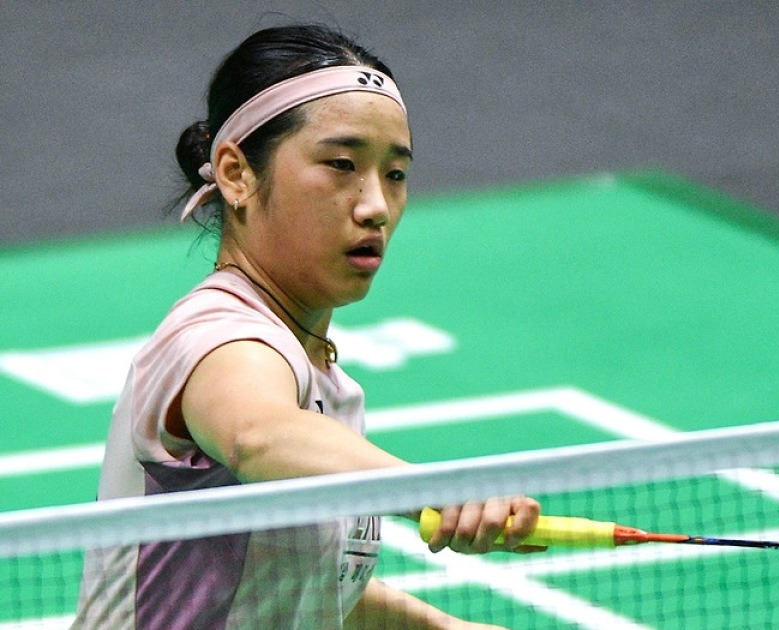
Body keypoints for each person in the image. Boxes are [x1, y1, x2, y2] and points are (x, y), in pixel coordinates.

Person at [72, 23, 541, 630]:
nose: (375, 205)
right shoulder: (220, 338)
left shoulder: (323, 378)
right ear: (236, 173)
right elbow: (257, 434)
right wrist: (434, 488)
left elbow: (301, 582)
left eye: (395, 174)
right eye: (341, 165)